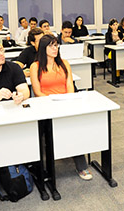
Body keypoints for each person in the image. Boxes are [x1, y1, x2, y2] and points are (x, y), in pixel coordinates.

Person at [29, 34, 92, 181]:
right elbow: (37, 91)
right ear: (43, 49)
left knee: (74, 128)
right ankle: (47, 168)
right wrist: (53, 104)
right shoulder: (35, 66)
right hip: (46, 106)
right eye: (51, 46)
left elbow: (70, 85)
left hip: (65, 104)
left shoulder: (64, 63)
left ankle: (81, 165)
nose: (54, 48)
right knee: (51, 131)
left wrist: (68, 101)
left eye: (56, 45)